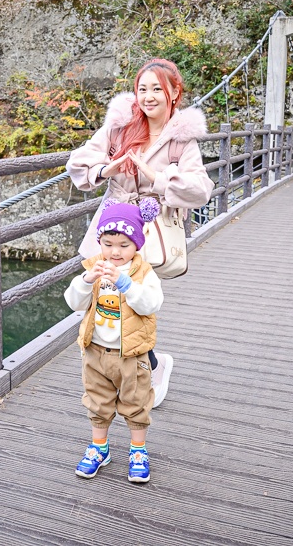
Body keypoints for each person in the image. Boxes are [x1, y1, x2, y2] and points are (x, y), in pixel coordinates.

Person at [66, 58, 214, 408]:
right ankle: (147, 366)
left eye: (156, 89)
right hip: (114, 228)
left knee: (133, 302)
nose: (148, 97)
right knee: (107, 299)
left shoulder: (182, 141)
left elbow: (201, 189)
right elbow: (78, 162)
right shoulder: (119, 128)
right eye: (142, 88)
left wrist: (159, 178)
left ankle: (142, 369)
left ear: (174, 92)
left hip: (150, 230)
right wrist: (107, 167)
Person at [64, 198, 164, 483]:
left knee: (136, 402)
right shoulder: (94, 267)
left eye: (124, 245)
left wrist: (125, 283)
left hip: (131, 354)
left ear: (136, 244)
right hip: (95, 351)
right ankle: (99, 447)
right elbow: (73, 302)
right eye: (108, 244)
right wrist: (85, 280)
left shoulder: (143, 273)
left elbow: (151, 304)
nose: (115, 252)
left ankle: (138, 450)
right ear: (99, 242)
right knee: (97, 401)